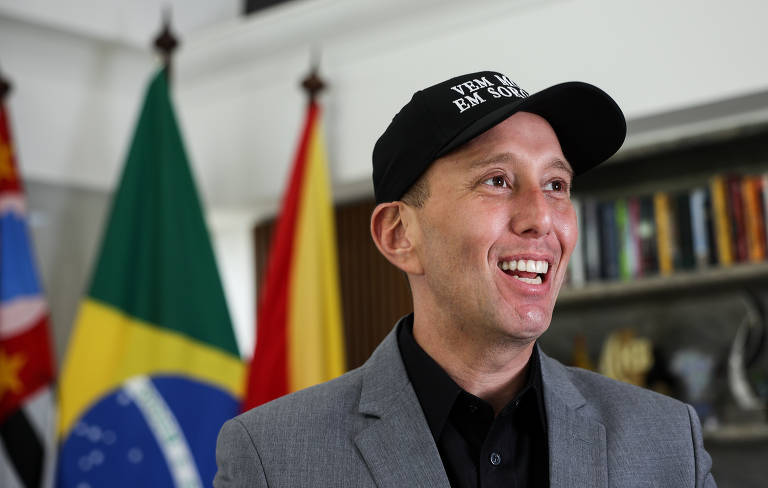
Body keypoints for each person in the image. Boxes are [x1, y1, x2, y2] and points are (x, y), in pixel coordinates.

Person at [214, 71, 716, 487]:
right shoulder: (270, 460)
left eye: (556, 185)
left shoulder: (668, 441)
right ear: (398, 235)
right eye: (497, 180)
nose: (541, 218)